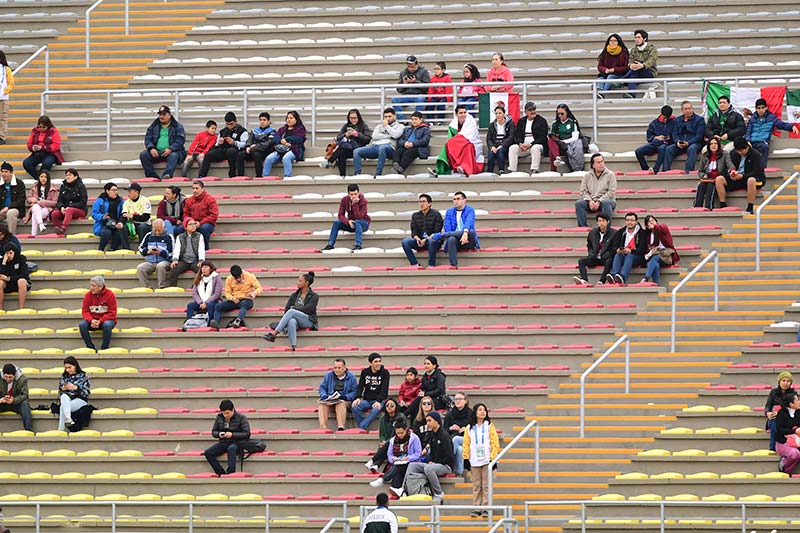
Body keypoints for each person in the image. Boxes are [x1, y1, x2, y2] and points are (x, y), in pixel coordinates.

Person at [403, 411, 454, 502]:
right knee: (412, 465)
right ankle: (404, 489)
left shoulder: (444, 435)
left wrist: (435, 463)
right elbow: (432, 453)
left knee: (429, 469)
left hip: (446, 466)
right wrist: (431, 460)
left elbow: (449, 457)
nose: (427, 423)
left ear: (437, 421)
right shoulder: (432, 434)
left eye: (429, 421)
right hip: (434, 464)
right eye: (427, 421)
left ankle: (438, 493)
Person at [262, 272, 319, 351]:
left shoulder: (314, 296)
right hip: (296, 320)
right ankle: (293, 346)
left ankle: (274, 333)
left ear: (306, 283)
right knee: (291, 321)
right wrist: (293, 310)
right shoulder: (294, 295)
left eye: (300, 281)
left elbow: (307, 309)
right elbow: (287, 309)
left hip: (308, 320)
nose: (297, 282)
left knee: (292, 311)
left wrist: (294, 308)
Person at [369, 418, 422, 500]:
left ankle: (383, 479)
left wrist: (408, 458)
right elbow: (389, 454)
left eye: (402, 433)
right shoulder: (393, 440)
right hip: (398, 464)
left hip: (411, 464)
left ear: (406, 430)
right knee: (396, 475)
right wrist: (393, 459)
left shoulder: (414, 438)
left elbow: (418, 453)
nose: (400, 435)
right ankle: (401, 493)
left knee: (397, 468)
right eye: (398, 433)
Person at [462, 402, 500, 517]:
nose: (482, 412)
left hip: (487, 460)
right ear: (475, 412)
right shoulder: (469, 428)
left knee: (486, 485)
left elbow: (494, 442)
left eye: (484, 410)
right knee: (476, 485)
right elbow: (466, 444)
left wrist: (493, 458)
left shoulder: (489, 426)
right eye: (480, 410)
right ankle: (477, 507)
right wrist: (465, 458)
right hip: (474, 460)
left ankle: (486, 507)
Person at [427, 191, 479, 268]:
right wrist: (461, 233)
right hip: (456, 241)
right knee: (451, 238)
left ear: (464, 200)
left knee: (470, 232)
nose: (456, 201)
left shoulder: (470, 210)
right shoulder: (449, 212)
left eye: (458, 199)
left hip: (467, 239)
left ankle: (441, 235)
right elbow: (448, 228)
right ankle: (454, 265)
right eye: (454, 199)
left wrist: (465, 233)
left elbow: (469, 222)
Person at [744, 97, 800, 169]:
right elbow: (748, 131)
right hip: (751, 142)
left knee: (764, 148)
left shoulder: (771, 118)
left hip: (762, 142)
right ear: (756, 109)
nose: (761, 110)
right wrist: (748, 140)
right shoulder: (752, 119)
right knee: (738, 149)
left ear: (766, 108)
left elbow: (782, 125)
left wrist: (791, 126)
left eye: (762, 107)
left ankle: (761, 170)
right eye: (759, 108)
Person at [716, 137, 765, 214]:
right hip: (737, 177)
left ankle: (750, 206)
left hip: (751, 178)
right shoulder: (733, 153)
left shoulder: (756, 154)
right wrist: (732, 173)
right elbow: (728, 166)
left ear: (747, 147)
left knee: (751, 180)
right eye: (738, 151)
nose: (740, 152)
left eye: (742, 150)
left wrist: (743, 176)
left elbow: (757, 172)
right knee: (719, 179)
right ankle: (722, 204)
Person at [204, 399, 251, 476]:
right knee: (208, 453)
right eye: (223, 413)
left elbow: (246, 433)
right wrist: (219, 434)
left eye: (227, 413)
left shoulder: (241, 418)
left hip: (237, 442)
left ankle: (231, 473)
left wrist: (232, 435)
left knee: (231, 449)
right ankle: (220, 473)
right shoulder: (219, 417)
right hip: (224, 441)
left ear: (233, 410)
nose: (226, 415)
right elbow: (214, 432)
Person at [139, 105, 186, 180]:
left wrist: (170, 149)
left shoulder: (178, 126)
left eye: (164, 114)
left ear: (169, 115)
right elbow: (148, 138)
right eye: (160, 114)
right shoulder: (153, 126)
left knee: (173, 156)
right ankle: (152, 176)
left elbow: (180, 141)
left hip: (172, 152)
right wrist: (151, 148)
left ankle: (167, 174)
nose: (161, 116)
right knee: (143, 155)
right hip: (157, 152)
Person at [353, 108, 405, 177]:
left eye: (389, 116)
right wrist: (389, 135)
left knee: (382, 148)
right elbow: (374, 136)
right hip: (376, 146)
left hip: (389, 147)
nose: (387, 119)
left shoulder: (400, 126)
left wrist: (386, 126)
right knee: (356, 151)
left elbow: (396, 135)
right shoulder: (380, 126)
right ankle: (357, 174)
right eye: (385, 117)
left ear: (394, 116)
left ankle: (378, 174)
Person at [321, 109, 372, 177]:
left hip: (359, 148)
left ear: (358, 118)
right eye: (351, 118)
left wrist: (357, 134)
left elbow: (367, 139)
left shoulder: (363, 126)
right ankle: (342, 175)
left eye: (355, 118)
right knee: (342, 154)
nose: (353, 120)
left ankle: (330, 160)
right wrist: (345, 135)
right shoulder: (346, 126)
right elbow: (338, 137)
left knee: (342, 148)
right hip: (348, 148)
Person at [211, 264, 262, 330]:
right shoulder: (229, 279)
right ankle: (216, 324)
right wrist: (232, 298)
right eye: (236, 278)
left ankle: (238, 321)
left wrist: (254, 293)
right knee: (218, 306)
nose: (238, 279)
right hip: (234, 300)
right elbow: (227, 292)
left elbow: (259, 287)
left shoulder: (250, 276)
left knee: (245, 304)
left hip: (245, 299)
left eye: (239, 277)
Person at [199, 112, 248, 179]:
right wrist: (219, 143)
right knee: (209, 154)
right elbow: (216, 144)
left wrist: (234, 143)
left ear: (236, 121)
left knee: (231, 151)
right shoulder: (223, 131)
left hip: (235, 151)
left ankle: (232, 174)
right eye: (227, 124)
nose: (229, 126)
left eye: (231, 124)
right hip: (223, 150)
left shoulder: (242, 131)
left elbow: (245, 144)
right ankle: (202, 175)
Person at [322, 184, 370, 251]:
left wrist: (355, 204)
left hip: (363, 224)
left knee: (357, 222)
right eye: (351, 194)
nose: (354, 196)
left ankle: (358, 245)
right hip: (351, 223)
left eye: (355, 194)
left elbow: (359, 217)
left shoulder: (363, 201)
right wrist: (348, 221)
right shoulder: (344, 200)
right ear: (348, 194)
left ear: (358, 193)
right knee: (336, 223)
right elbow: (340, 215)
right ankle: (330, 244)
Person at [438, 105, 484, 176]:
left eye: (464, 112)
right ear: (456, 114)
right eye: (461, 113)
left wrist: (456, 141)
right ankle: (450, 168)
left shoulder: (471, 121)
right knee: (449, 144)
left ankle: (466, 169)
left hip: (473, 143)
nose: (463, 115)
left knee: (467, 146)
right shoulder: (453, 124)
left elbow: (470, 136)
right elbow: (451, 138)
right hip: (458, 144)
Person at [574, 213, 617, 286]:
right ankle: (584, 279)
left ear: (608, 222)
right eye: (599, 221)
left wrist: (607, 255)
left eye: (603, 221)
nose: (601, 223)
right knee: (581, 261)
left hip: (606, 257)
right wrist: (591, 254)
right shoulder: (592, 233)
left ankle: (602, 281)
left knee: (609, 262)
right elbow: (589, 245)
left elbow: (614, 247)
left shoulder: (614, 233)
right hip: (595, 257)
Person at [662, 101, 705, 174]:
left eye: (689, 108)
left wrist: (688, 142)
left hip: (694, 143)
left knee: (692, 148)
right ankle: (666, 171)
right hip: (680, 143)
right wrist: (677, 142)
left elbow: (699, 136)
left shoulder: (699, 120)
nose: (688, 110)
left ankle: (688, 171)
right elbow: (674, 133)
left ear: (692, 109)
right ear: (682, 110)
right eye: (686, 109)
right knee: (668, 149)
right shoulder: (677, 120)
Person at [401, 193, 443, 266]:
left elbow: (437, 232)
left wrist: (426, 239)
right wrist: (417, 239)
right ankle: (415, 264)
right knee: (405, 242)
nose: (421, 204)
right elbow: (414, 231)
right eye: (420, 202)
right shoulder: (415, 215)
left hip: (432, 240)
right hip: (420, 241)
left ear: (429, 203)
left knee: (432, 241)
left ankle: (431, 264)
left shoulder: (436, 214)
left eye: (424, 201)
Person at [575, 153, 616, 228]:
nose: (601, 164)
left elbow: (611, 192)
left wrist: (599, 201)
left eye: (602, 161)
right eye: (598, 162)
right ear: (593, 165)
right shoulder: (587, 176)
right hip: (591, 202)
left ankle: (606, 227)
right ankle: (582, 227)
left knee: (606, 203)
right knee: (579, 203)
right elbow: (583, 191)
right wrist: (590, 200)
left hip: (606, 201)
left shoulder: (611, 175)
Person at [352, 353, 391, 431]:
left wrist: (378, 401)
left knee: (376, 409)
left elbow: (384, 389)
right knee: (355, 407)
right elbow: (360, 386)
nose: (378, 363)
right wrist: (358, 397)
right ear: (370, 363)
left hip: (380, 400)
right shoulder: (365, 372)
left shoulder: (385, 373)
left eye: (380, 361)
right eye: (376, 361)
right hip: (367, 400)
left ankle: (361, 428)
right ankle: (363, 427)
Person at [607, 212, 648, 285]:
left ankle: (623, 277)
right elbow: (614, 246)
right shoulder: (621, 232)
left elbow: (642, 249)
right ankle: (614, 276)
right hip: (623, 254)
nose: (630, 222)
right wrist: (618, 250)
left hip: (637, 256)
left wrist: (630, 251)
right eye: (628, 220)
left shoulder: (642, 233)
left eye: (632, 220)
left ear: (636, 221)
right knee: (618, 255)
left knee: (630, 256)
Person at [317, 358, 358, 431]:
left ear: (344, 368)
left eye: (339, 368)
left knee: (341, 404)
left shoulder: (352, 377)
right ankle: (323, 428)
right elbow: (322, 388)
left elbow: (355, 392)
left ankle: (341, 427)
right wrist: (324, 396)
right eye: (335, 368)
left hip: (344, 400)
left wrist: (344, 397)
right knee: (322, 405)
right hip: (330, 400)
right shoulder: (328, 375)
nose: (337, 370)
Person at [78, 275, 117, 351]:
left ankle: (104, 348)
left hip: (105, 321)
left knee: (107, 325)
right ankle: (90, 348)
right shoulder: (88, 295)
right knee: (82, 325)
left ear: (100, 287)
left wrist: (100, 321)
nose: (91, 288)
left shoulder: (110, 295)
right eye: (91, 285)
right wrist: (91, 320)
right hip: (93, 321)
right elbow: (85, 311)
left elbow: (112, 313)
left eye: (93, 286)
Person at [262, 111, 306, 178]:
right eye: (287, 118)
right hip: (281, 149)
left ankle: (287, 177)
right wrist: (282, 141)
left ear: (296, 119)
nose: (289, 120)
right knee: (268, 159)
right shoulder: (282, 129)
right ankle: (265, 176)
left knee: (286, 158)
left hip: (294, 149)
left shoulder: (301, 128)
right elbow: (275, 138)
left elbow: (300, 139)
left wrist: (287, 139)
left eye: (291, 118)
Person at [508, 101, 548, 174]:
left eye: (534, 109)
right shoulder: (521, 121)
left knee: (536, 147)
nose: (533, 111)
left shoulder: (541, 121)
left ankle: (534, 170)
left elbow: (543, 137)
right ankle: (512, 170)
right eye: (530, 110)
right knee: (513, 148)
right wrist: (520, 144)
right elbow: (517, 135)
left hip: (536, 146)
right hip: (523, 147)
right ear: (525, 111)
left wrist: (530, 145)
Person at [364, 398, 403, 473]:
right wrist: (383, 441)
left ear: (396, 406)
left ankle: (373, 461)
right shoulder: (383, 419)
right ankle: (376, 465)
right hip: (388, 442)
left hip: (399, 441)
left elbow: (397, 434)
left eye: (392, 405)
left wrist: (387, 442)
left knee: (388, 445)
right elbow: (381, 434)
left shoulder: (400, 417)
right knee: (385, 446)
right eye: (387, 405)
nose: (389, 407)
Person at [634, 105, 675, 173]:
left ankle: (655, 170)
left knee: (662, 148)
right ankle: (646, 169)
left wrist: (667, 138)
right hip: (655, 143)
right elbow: (648, 136)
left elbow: (675, 135)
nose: (665, 119)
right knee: (638, 151)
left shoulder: (674, 122)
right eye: (664, 117)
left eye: (667, 118)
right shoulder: (654, 123)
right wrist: (655, 137)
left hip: (666, 143)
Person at [136, 219, 173, 289]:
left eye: (159, 230)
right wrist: (147, 252)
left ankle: (161, 286)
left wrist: (161, 253)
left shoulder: (169, 237)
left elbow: (172, 253)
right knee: (140, 267)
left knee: (160, 266)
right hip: (150, 262)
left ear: (163, 228)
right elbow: (140, 248)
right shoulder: (148, 236)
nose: (157, 232)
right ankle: (146, 287)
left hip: (164, 261)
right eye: (155, 230)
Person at [641, 214, 679, 284]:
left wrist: (655, 227)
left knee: (655, 258)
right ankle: (656, 284)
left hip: (666, 256)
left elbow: (660, 228)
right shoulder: (648, 236)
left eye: (653, 220)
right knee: (655, 264)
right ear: (647, 226)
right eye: (649, 222)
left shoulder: (663, 228)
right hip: (655, 257)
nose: (652, 222)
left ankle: (646, 277)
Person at [619, 29, 657, 98]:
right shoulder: (633, 50)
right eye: (635, 37)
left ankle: (623, 79)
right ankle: (631, 94)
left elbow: (652, 60)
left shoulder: (651, 49)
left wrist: (642, 65)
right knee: (633, 76)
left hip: (649, 72)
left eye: (639, 37)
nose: (636, 39)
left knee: (636, 70)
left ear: (644, 39)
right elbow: (630, 61)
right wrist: (632, 65)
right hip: (635, 71)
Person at [180, 180, 218, 249]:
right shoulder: (188, 200)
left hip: (206, 223)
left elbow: (213, 216)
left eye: (197, 188)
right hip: (192, 222)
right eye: (193, 188)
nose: (194, 190)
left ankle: (205, 249)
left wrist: (200, 223)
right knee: (179, 229)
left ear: (203, 189)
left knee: (204, 228)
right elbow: (186, 214)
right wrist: (190, 222)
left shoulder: (210, 199)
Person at [695, 138, 731, 210]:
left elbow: (730, 165)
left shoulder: (724, 154)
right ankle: (697, 206)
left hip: (719, 178)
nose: (713, 146)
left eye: (715, 144)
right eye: (711, 144)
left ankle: (709, 207)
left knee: (710, 185)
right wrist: (704, 176)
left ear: (718, 145)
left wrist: (732, 170)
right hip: (708, 178)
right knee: (701, 185)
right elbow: (700, 170)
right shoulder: (705, 155)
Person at [236, 112, 276, 177]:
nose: (262, 122)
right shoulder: (254, 130)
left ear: (268, 121)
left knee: (257, 155)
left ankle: (259, 176)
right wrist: (248, 146)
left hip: (264, 151)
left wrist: (255, 147)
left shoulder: (272, 131)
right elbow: (249, 140)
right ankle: (241, 175)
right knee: (240, 154)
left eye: (264, 120)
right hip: (252, 150)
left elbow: (268, 143)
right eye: (260, 120)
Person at [168, 218, 206, 287]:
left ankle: (195, 287)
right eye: (190, 224)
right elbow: (177, 249)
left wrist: (201, 260)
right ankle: (172, 287)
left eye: (194, 224)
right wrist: (175, 259)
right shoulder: (180, 237)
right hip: (184, 260)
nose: (193, 226)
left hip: (195, 260)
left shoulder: (199, 236)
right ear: (185, 227)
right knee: (174, 269)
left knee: (202, 270)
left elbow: (201, 249)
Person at [57, 356, 90, 431]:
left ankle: (61, 429)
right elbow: (60, 391)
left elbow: (86, 393)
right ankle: (68, 418)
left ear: (75, 366)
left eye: (69, 367)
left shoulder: (83, 376)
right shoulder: (64, 376)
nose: (68, 370)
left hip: (80, 399)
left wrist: (76, 388)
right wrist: (63, 389)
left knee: (62, 407)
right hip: (68, 399)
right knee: (64, 396)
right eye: (66, 368)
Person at [392, 55, 431, 120]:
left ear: (417, 64)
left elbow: (427, 88)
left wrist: (415, 82)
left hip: (419, 95)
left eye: (412, 67)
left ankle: (417, 119)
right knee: (394, 99)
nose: (411, 69)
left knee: (421, 98)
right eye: (409, 67)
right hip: (406, 95)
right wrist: (404, 83)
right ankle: (402, 120)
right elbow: (399, 90)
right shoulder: (403, 72)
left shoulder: (424, 71)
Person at [92, 182, 127, 252]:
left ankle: (112, 249)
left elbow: (123, 213)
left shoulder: (121, 201)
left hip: (116, 223)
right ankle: (100, 250)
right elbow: (94, 213)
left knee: (119, 232)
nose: (115, 192)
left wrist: (121, 222)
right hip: (104, 223)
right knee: (107, 232)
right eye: (113, 190)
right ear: (107, 191)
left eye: (116, 190)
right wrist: (102, 217)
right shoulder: (100, 200)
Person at [765, 371, 795, 452]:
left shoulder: (793, 393)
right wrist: (768, 413)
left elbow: (794, 408)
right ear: (779, 382)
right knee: (774, 421)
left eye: (788, 381)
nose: (785, 383)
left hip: (787, 418)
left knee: (778, 420)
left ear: (790, 383)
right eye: (783, 380)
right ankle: (773, 447)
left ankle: (780, 446)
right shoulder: (773, 392)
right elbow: (768, 406)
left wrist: (781, 413)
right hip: (774, 417)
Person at [51, 167, 88, 235]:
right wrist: (61, 207)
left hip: (79, 210)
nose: (67, 177)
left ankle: (63, 228)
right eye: (66, 175)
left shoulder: (81, 186)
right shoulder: (63, 187)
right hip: (66, 210)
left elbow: (83, 202)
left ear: (75, 176)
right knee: (54, 213)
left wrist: (70, 206)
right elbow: (59, 201)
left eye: (70, 175)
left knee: (70, 210)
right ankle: (58, 228)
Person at [548, 104, 583, 174]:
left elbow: (575, 137)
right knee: (550, 142)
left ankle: (553, 170)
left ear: (567, 113)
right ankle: (557, 158)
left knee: (551, 151)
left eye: (562, 114)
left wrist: (564, 141)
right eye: (558, 114)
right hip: (558, 145)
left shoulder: (572, 122)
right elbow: (552, 135)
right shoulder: (555, 123)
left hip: (569, 144)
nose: (560, 116)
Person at [185, 260, 222, 327]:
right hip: (201, 302)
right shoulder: (198, 278)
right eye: (202, 267)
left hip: (213, 301)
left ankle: (209, 324)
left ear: (210, 269)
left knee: (210, 305)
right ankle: (189, 322)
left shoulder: (216, 278)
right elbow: (194, 293)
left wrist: (206, 302)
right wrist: (200, 303)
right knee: (190, 305)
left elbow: (217, 294)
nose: (204, 269)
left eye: (206, 267)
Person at [444, 392, 472, 476]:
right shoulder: (450, 414)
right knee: (459, 449)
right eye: (456, 399)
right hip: (453, 438)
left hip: (468, 439)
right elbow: (444, 430)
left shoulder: (471, 414)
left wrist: (467, 430)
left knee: (456, 440)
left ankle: (447, 462)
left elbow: (475, 430)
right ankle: (459, 472)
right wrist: (451, 428)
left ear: (465, 401)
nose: (457, 401)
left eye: (460, 399)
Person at [23, 170, 58, 236]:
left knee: (35, 214)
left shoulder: (53, 188)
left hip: (47, 208)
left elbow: (55, 202)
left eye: (45, 177)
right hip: (35, 207)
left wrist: (40, 202)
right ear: (39, 178)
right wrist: (32, 199)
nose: (43, 178)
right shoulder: (35, 187)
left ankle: (33, 235)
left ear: (48, 178)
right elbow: (28, 199)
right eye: (41, 176)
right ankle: (41, 225)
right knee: (36, 207)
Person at [0, 363, 32, 431]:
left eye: (10, 377)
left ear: (15, 375)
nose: (8, 379)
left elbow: (25, 395)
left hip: (15, 403)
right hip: (2, 402)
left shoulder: (22, 379)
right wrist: (1, 400)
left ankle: (29, 430)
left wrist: (14, 400)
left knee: (25, 404)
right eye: (6, 377)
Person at [485, 105, 515, 174]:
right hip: (495, 145)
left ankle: (501, 170)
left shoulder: (510, 124)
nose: (498, 115)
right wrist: (492, 147)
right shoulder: (492, 125)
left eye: (500, 113)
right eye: (496, 113)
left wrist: (502, 145)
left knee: (500, 151)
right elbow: (488, 138)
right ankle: (490, 171)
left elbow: (511, 137)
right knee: (491, 153)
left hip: (505, 146)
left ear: (504, 114)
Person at [775, 392, 800, 474]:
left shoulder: (798, 413)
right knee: (794, 454)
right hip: (783, 442)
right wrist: (794, 431)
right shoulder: (781, 414)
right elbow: (780, 429)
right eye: (797, 400)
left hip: (797, 441)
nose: (799, 402)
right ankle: (785, 469)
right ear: (791, 404)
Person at [0, 243, 29, 309]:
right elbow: (1, 275)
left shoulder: (21, 258)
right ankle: (0, 309)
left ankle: (21, 308)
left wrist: (9, 278)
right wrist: (4, 263)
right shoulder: (2, 261)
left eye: (10, 253)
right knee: (0, 282)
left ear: (14, 252)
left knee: (21, 281)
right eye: (6, 253)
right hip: (7, 284)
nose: (8, 255)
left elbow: (24, 274)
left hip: (19, 283)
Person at [0, 162, 26, 235]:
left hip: (15, 209)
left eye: (6, 172)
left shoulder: (19, 183)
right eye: (2, 172)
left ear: (11, 173)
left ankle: (11, 237)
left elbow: (21, 200)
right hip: (2, 209)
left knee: (10, 213)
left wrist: (8, 207)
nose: (3, 174)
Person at [0, 51, 13, 145]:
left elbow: (11, 82)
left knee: (2, 118)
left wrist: (5, 90)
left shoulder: (6, 69)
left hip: (3, 97)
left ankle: (2, 137)